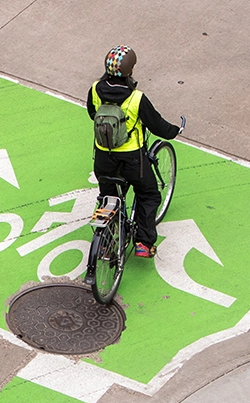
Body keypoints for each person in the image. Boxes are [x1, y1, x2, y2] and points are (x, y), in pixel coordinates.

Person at [86, 45, 183, 259]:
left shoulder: (95, 89)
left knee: (108, 197)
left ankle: (105, 244)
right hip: (132, 159)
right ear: (130, 70)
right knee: (148, 195)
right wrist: (175, 131)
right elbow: (157, 126)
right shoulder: (137, 98)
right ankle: (143, 243)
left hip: (103, 158)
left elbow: (93, 113)